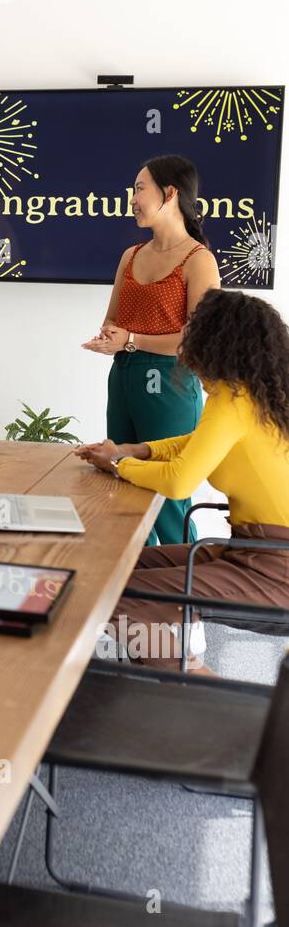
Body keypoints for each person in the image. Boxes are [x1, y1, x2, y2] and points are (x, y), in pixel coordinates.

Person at [76, 288, 289, 674]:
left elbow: (179, 483)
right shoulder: (254, 398)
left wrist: (118, 466)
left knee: (113, 594)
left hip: (275, 566)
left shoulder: (233, 399)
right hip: (251, 548)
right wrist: (136, 450)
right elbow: (193, 443)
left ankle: (196, 684)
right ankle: (174, 662)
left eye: (192, 332)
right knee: (113, 565)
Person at [82, 155, 220, 545]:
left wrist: (130, 340)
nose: (133, 197)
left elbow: (199, 339)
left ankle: (181, 598)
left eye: (140, 188)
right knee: (121, 486)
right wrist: (110, 340)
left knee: (167, 501)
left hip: (170, 386)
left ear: (170, 193)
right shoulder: (130, 256)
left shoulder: (199, 260)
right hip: (123, 379)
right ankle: (136, 593)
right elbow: (113, 323)